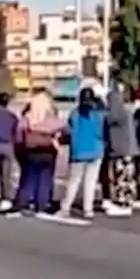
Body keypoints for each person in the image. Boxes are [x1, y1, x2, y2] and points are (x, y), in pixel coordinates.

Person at [12, 89, 64, 216]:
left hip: (30, 151)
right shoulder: (51, 119)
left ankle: (22, 203)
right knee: (45, 179)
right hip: (48, 151)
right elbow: (64, 130)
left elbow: (18, 136)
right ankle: (42, 204)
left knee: (28, 178)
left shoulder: (27, 119)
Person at [57, 86, 105, 219]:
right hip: (96, 150)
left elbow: (67, 131)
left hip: (78, 151)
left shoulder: (75, 113)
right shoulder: (98, 114)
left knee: (74, 181)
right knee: (90, 182)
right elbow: (102, 131)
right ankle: (87, 209)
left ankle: (65, 207)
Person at [102, 85, 140, 216]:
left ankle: (122, 204)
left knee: (122, 178)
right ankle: (127, 202)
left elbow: (109, 120)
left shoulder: (117, 113)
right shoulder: (126, 111)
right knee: (127, 178)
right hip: (129, 149)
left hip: (121, 149)